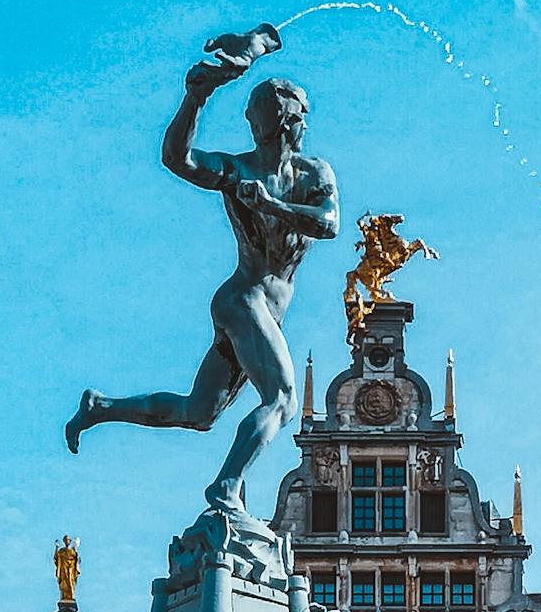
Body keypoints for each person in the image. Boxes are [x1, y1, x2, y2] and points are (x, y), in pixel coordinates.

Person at [65, 27, 340, 512]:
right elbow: (177, 159)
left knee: (198, 414)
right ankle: (226, 487)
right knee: (282, 399)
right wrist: (195, 98)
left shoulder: (313, 173)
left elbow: (329, 223)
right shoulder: (237, 171)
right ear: (286, 121)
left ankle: (101, 407)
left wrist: (273, 205)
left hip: (262, 310)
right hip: (244, 300)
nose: (306, 127)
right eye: (302, 116)